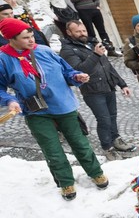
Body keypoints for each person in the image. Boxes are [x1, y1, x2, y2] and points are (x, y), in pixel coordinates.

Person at [0, 18, 108, 201]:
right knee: (52, 150)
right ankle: (65, 182)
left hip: (63, 105)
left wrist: (77, 76)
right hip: (36, 111)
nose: (31, 40)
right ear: (12, 38)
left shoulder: (44, 51)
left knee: (80, 143)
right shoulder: (4, 60)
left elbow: (67, 72)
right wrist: (10, 101)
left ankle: (95, 172)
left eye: (32, 35)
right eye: (26, 38)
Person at [59, 20, 134, 159]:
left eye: (84, 31)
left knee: (112, 116)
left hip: (108, 86)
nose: (82, 34)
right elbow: (79, 70)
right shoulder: (67, 50)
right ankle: (107, 147)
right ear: (69, 33)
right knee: (104, 119)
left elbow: (108, 66)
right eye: (78, 31)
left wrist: (122, 84)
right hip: (92, 91)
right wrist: (96, 55)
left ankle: (115, 138)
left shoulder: (92, 43)